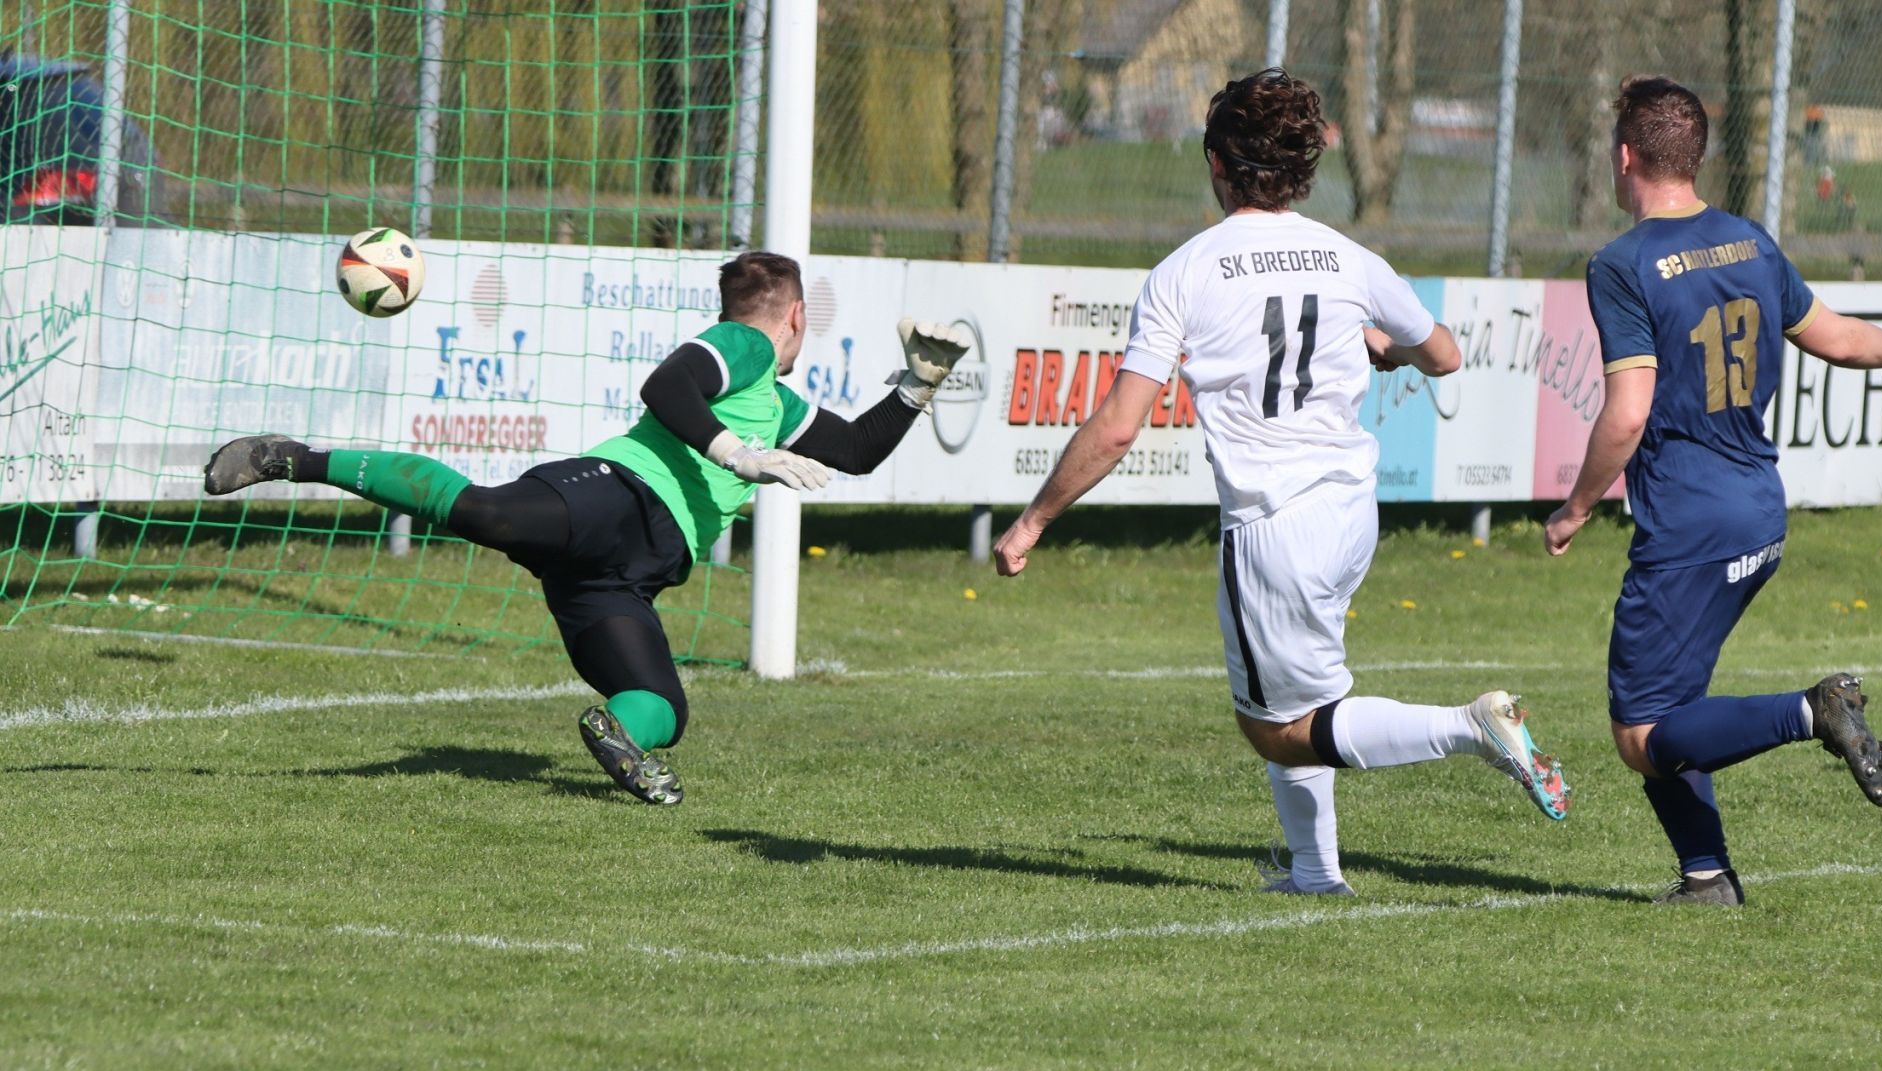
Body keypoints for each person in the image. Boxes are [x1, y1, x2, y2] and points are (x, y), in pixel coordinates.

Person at [993, 69, 1570, 898]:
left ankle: (1469, 728)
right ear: (1303, 168)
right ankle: (1314, 872)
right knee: (1310, 695)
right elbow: (1444, 353)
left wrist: (1034, 521)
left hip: (1272, 524)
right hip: (1349, 510)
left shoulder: (1183, 272)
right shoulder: (1348, 257)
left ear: (1218, 164)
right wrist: (1385, 344)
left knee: (1274, 729)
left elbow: (1118, 425)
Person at [204, 251, 969, 806]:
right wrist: (736, 453)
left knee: (662, 705)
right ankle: (293, 457)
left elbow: (859, 452)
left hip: (628, 572)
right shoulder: (743, 345)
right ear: (797, 315)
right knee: (488, 514)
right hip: (619, 496)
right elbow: (666, 384)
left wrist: (917, 386)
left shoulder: (777, 402)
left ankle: (615, 733)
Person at [1543, 76, 1882, 906]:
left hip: (1690, 523)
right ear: (1696, 154)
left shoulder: (1622, 264)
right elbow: (1831, 336)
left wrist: (1576, 505)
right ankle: (1707, 877)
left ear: (1625, 158)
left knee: (1640, 731)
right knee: (1675, 706)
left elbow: (1626, 413)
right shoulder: (1749, 241)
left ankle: (1811, 711)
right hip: (1759, 508)